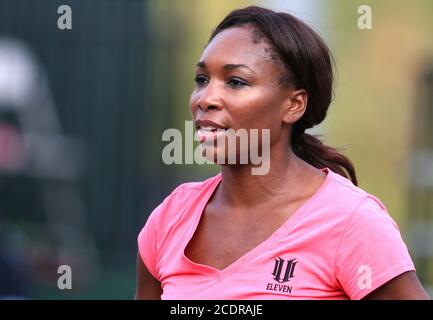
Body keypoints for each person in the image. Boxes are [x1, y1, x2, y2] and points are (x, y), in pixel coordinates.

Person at [135, 6, 430, 300]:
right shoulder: (171, 218)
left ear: (294, 105)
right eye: (201, 79)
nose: (206, 98)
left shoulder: (351, 221)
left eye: (236, 82)